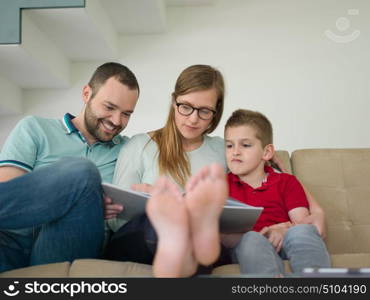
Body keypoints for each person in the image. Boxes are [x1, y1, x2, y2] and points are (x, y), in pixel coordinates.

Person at [0, 62, 139, 272]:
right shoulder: (35, 128)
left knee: (83, 173)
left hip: (67, 244)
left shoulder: (130, 150)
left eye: (127, 113)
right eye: (109, 107)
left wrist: (88, 206)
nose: (116, 121)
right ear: (86, 94)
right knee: (80, 174)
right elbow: (10, 194)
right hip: (12, 243)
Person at [105, 64, 227, 265]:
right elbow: (116, 220)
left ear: (216, 112)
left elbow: (252, 191)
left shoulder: (224, 150)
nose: (193, 119)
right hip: (142, 237)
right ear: (173, 102)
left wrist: (263, 159)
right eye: (186, 107)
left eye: (205, 111)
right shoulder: (140, 145)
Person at [222, 109, 331, 276]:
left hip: (283, 241)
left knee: (302, 231)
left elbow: (302, 222)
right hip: (247, 247)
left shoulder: (286, 182)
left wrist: (282, 231)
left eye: (245, 145)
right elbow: (224, 237)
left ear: (266, 152)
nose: (235, 151)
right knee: (251, 239)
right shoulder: (221, 186)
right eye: (229, 145)